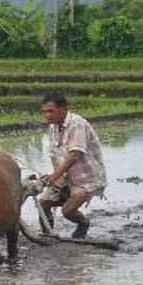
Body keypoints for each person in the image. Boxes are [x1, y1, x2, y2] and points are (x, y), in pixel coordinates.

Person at [38, 92, 107, 239]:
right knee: (43, 203)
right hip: (67, 177)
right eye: (44, 112)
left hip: (87, 179)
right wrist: (55, 176)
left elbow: (76, 154)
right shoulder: (54, 126)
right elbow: (55, 155)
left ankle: (83, 224)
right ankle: (47, 235)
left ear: (64, 109)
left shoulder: (77, 123)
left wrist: (55, 175)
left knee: (67, 211)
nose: (47, 115)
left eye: (51, 111)